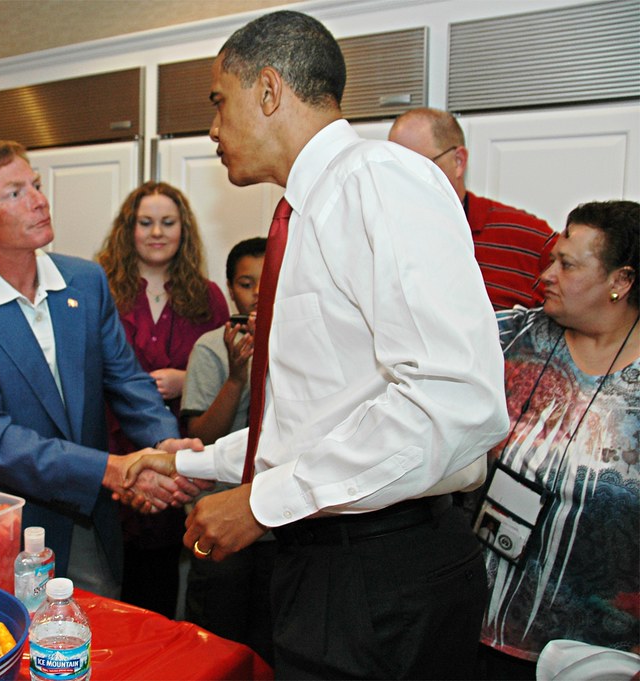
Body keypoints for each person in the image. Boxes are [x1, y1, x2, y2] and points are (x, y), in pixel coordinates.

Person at [126, 11, 510, 679]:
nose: (212, 129)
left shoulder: (379, 180)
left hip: (381, 566)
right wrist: (202, 460)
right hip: (326, 556)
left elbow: (452, 402)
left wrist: (261, 501)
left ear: (268, 91)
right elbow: (323, 409)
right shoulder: (304, 210)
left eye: (220, 102)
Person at [0, 141, 204, 599]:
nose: (39, 200)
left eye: (37, 185)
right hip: (7, 524)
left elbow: (125, 379)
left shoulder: (85, 281)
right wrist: (115, 470)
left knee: (98, 641)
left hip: (89, 517)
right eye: (14, 193)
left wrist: (164, 442)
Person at [476, 200, 639, 680]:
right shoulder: (512, 340)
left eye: (567, 265)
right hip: (473, 627)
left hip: (591, 657)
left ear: (621, 281)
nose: (545, 274)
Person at [96, 181, 229, 618]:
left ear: (183, 229)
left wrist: (186, 379)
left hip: (180, 452)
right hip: (109, 447)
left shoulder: (206, 296)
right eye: (146, 222)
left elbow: (232, 369)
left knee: (160, 575)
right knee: (101, 572)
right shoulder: (101, 288)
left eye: (167, 223)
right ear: (128, 229)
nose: (157, 233)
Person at [180, 236, 275, 665]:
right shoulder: (210, 347)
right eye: (245, 283)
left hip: (283, 522)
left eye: (266, 280)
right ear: (230, 288)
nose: (256, 293)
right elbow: (202, 435)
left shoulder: (300, 345)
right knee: (217, 641)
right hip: (219, 519)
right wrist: (236, 378)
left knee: (270, 640)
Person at [389, 107, 555, 310]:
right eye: (393, 169)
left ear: (458, 161)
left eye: (418, 167)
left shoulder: (525, 238)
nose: (402, 180)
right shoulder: (381, 234)